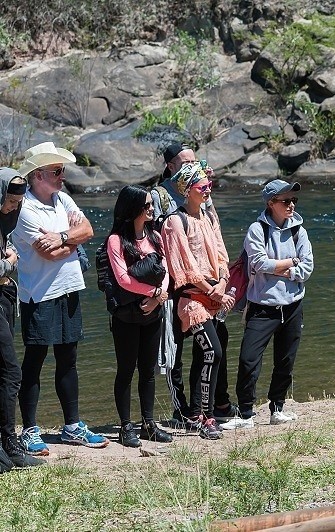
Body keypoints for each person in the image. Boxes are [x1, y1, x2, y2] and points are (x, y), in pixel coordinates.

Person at [13, 142, 109, 454]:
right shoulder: (24, 209)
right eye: (57, 171)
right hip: (39, 295)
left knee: (68, 360)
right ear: (37, 175)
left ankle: (72, 427)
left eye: (62, 171)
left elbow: (88, 229)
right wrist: (69, 240)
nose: (62, 176)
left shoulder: (61, 198)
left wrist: (64, 237)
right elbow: (49, 254)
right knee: (34, 362)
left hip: (69, 289)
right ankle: (29, 430)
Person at [153, 143, 239, 429]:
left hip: (214, 295)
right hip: (188, 297)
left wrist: (224, 283)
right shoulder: (173, 219)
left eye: (209, 185)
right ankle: (195, 414)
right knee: (201, 352)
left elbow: (222, 254)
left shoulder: (207, 216)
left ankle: (208, 411)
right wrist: (210, 288)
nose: (208, 190)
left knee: (210, 353)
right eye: (203, 187)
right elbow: (184, 267)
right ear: (187, 188)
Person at [234, 179, 314, 427]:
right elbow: (258, 263)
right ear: (271, 203)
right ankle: (246, 413)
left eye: (293, 200)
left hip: (292, 306)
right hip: (262, 307)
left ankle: (277, 408)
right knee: (249, 360)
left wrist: (281, 269)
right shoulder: (257, 230)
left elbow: (308, 268)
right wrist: (292, 263)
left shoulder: (299, 230)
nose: (291, 205)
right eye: (285, 200)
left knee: (285, 361)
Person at [105, 185, 174, 447]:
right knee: (125, 370)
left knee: (147, 371)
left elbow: (166, 269)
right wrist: (154, 291)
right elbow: (122, 279)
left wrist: (158, 296)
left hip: (153, 312)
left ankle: (148, 424)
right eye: (147, 206)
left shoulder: (155, 236)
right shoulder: (115, 241)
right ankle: (125, 427)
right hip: (126, 315)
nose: (152, 209)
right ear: (134, 209)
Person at [0, 168, 44, 468]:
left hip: (4, 298)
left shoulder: (6, 221)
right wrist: (9, 261)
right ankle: (10, 444)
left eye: (17, 202)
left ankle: (7, 445)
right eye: (10, 201)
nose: (13, 207)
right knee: (11, 372)